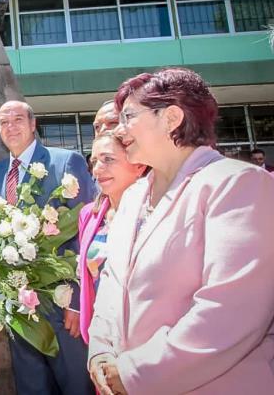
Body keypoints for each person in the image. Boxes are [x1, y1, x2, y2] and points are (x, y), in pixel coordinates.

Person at [88, 68, 274, 395]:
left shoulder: (236, 184)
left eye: (129, 116)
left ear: (171, 117)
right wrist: (101, 353)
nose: (119, 129)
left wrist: (133, 373)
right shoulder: (132, 198)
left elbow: (230, 313)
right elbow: (111, 283)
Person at [0, 100, 96, 395]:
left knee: (76, 386)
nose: (11, 127)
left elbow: (85, 231)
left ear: (33, 124)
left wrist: (77, 300)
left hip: (61, 303)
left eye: (18, 120)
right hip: (18, 306)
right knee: (32, 387)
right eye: (4, 123)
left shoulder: (65, 162)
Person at [78, 130, 146, 344]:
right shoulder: (90, 215)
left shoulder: (157, 212)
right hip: (104, 334)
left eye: (108, 159)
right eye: (94, 161)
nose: (98, 169)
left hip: (146, 334)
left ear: (139, 165)